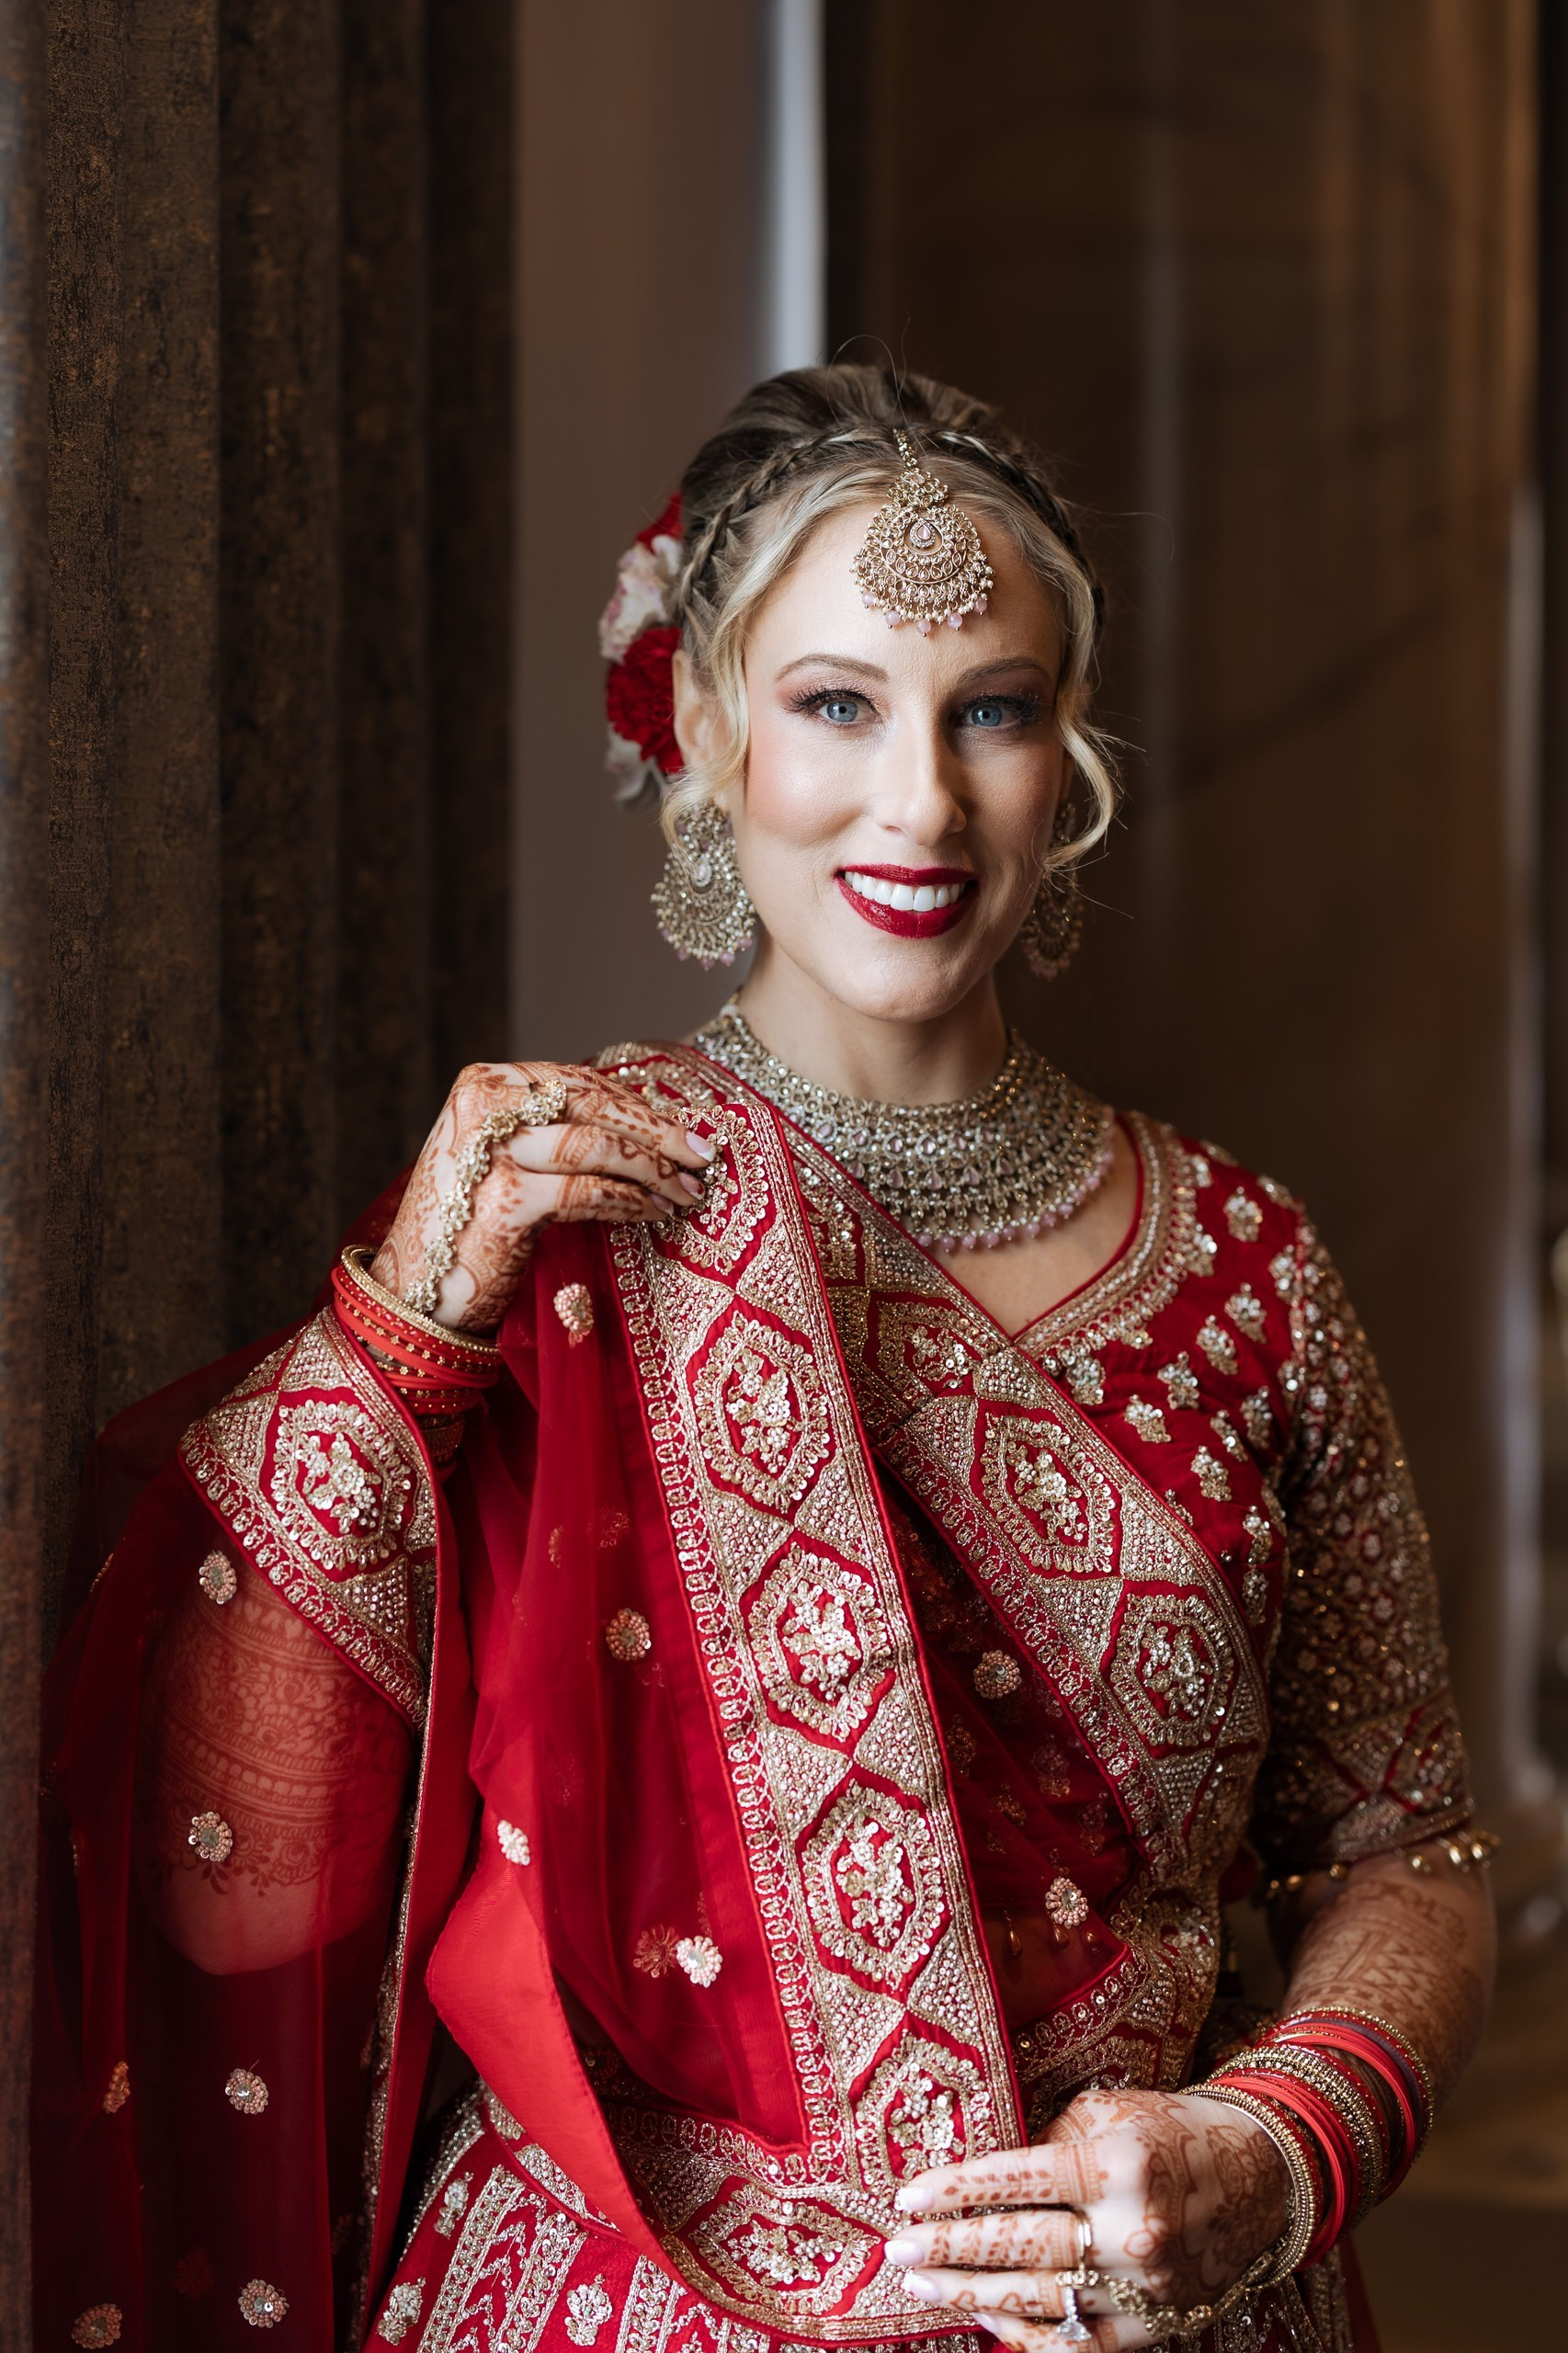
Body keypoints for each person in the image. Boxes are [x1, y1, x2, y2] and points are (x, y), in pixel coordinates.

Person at [35, 364, 1494, 2353]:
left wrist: (1277, 2145)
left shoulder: (1247, 1271)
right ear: (705, 732)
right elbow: (234, 1885)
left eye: (991, 709)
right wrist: (396, 1339)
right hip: (635, 2296)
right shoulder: (550, 1214)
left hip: (1155, 2297)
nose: (921, 801)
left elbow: (1399, 1845)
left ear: (1068, 748)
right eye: (834, 704)